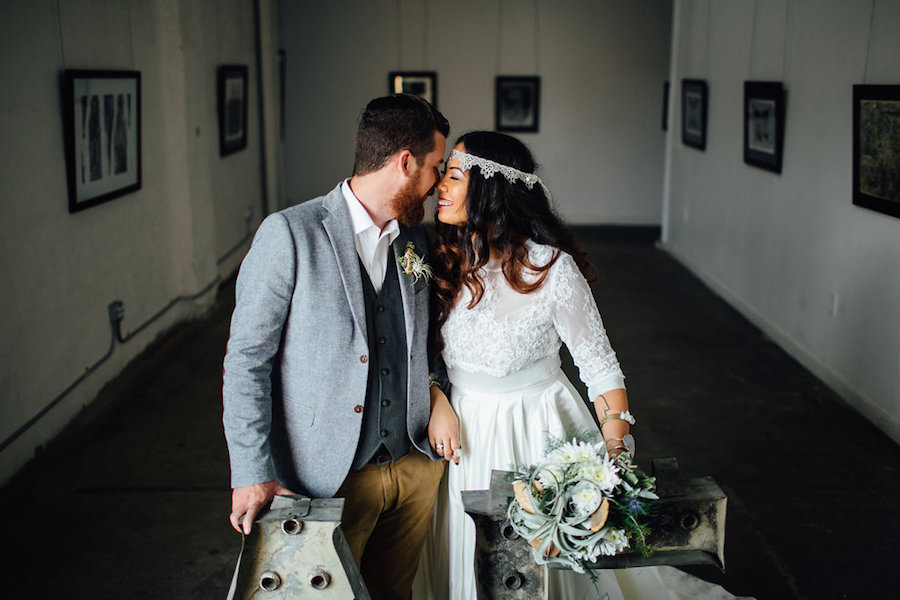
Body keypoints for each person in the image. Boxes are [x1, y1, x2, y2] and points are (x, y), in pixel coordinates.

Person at [422, 131, 748, 599]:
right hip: (463, 436)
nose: (441, 187)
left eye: (454, 175)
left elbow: (599, 366)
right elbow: (420, 352)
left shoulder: (552, 268)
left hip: (539, 431)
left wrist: (615, 450)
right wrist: (437, 396)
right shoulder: (443, 261)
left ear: (492, 189)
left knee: (546, 563)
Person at [223, 93, 450, 599]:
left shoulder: (417, 242)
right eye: (435, 168)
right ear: (404, 162)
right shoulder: (289, 234)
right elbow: (246, 362)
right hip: (326, 478)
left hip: (413, 468)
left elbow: (431, 339)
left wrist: (436, 392)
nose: (437, 185)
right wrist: (252, 470)